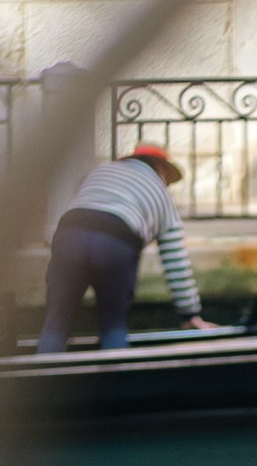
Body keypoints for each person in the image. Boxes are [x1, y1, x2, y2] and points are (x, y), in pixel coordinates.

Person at [37, 144, 204, 350]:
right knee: (113, 325)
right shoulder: (162, 195)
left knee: (55, 324)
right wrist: (189, 313)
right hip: (116, 241)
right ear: (161, 169)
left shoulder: (101, 172)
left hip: (69, 233)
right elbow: (175, 260)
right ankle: (113, 369)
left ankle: (45, 366)